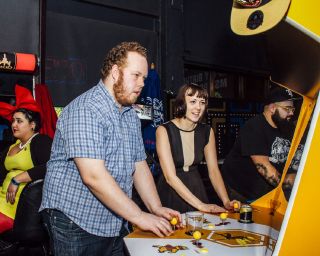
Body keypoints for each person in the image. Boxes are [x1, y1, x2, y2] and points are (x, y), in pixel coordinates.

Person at [40, 41, 181, 256]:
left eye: (144, 77)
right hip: (75, 220)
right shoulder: (86, 109)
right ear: (115, 72)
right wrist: (139, 216)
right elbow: (93, 176)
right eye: (136, 75)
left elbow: (139, 165)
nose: (142, 83)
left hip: (114, 218)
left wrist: (155, 208)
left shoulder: (130, 115)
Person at [156, 83, 239, 213]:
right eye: (193, 101)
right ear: (182, 103)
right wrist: (200, 205)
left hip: (196, 187)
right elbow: (170, 177)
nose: (198, 107)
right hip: (171, 191)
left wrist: (226, 201)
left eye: (202, 102)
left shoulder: (207, 131)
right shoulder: (164, 130)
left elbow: (213, 171)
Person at [221, 85, 298, 203]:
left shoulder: (285, 126)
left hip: (266, 192)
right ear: (272, 108)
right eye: (287, 109)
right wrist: (289, 188)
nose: (291, 113)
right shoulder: (254, 127)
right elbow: (263, 167)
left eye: (292, 109)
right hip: (241, 193)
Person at [0, 85, 52, 233]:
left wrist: (17, 179)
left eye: (19, 121)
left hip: (18, 209)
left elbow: (51, 166)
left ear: (32, 125)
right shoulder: (12, 147)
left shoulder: (40, 141)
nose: (13, 125)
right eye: (13, 121)